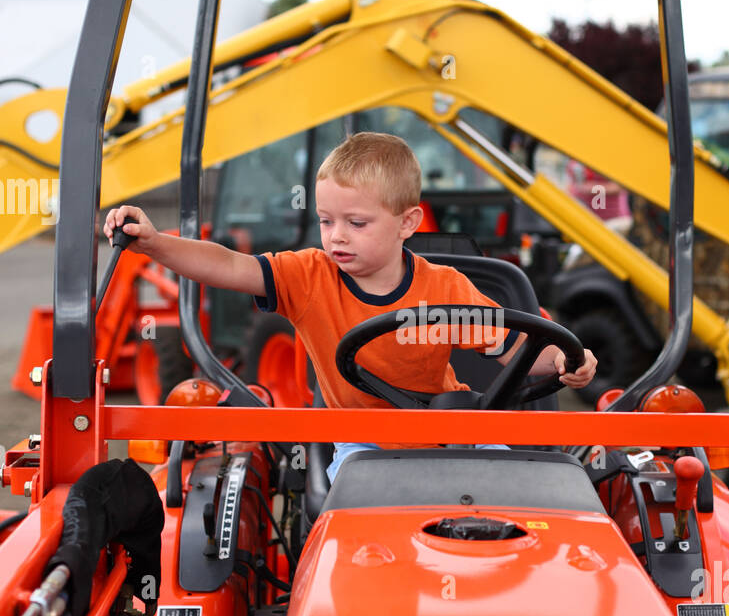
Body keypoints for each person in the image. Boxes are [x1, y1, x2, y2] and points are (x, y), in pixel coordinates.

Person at [104, 131, 597, 481]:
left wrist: (566, 361)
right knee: (363, 511)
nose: (336, 236)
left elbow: (515, 350)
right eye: (325, 220)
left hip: (454, 432)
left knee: (519, 495)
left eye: (356, 223)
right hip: (362, 441)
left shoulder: (446, 288)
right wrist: (153, 243)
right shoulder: (309, 277)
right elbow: (228, 266)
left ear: (408, 223)